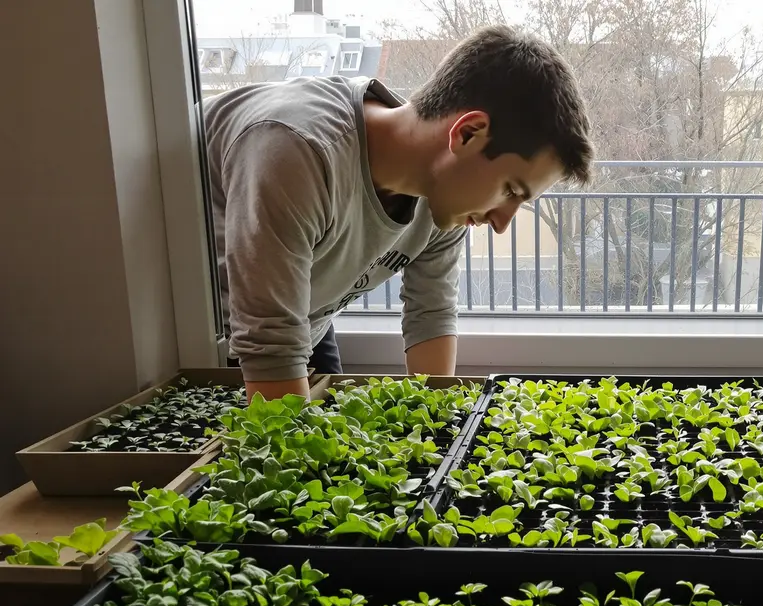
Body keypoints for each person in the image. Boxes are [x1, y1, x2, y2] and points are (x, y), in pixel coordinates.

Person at [203, 25, 593, 401]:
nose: (502, 223)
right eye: (510, 190)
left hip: (301, 323)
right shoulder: (298, 151)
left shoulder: (445, 194)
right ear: (467, 134)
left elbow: (431, 314)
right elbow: (269, 342)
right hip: (200, 341)